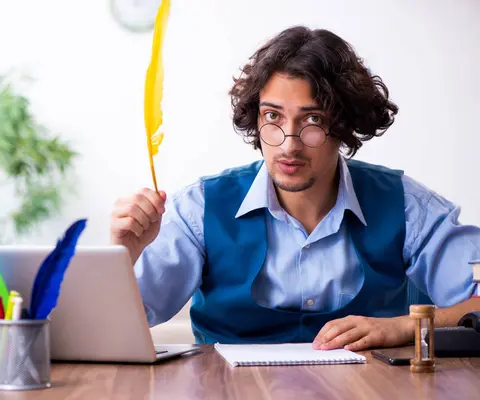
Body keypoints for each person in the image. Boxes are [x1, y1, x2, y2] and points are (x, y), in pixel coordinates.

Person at [110, 25, 480, 351]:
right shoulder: (199, 208)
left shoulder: (406, 205)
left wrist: (404, 327)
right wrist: (123, 255)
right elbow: (118, 326)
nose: (289, 144)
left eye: (313, 120)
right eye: (273, 117)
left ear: (344, 125)